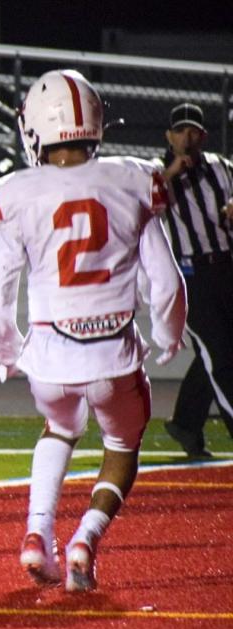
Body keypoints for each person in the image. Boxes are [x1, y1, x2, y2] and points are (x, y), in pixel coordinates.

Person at [0, 70, 186, 592]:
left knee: (60, 429)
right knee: (121, 444)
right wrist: (168, 335)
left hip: (49, 356)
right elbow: (164, 282)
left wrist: (8, 353)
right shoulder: (133, 178)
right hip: (115, 355)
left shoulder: (15, 191)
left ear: (34, 130)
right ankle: (84, 542)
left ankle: (36, 533)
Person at [151, 103, 233, 458]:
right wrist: (170, 173)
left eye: (193, 130)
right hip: (191, 274)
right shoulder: (155, 173)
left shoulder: (220, 167)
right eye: (180, 130)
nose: (187, 136)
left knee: (218, 351)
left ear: (203, 136)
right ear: (169, 136)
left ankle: (185, 422)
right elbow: (140, 202)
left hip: (227, 267)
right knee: (222, 354)